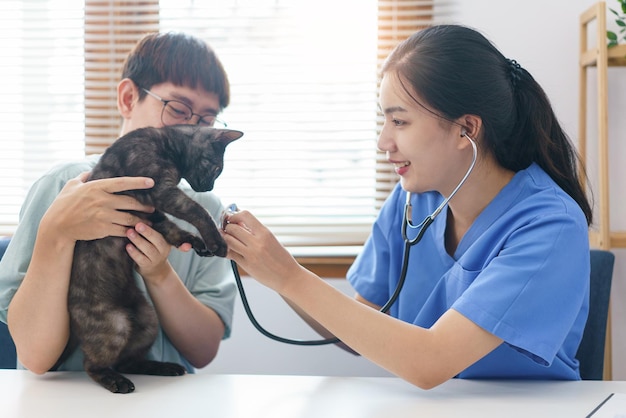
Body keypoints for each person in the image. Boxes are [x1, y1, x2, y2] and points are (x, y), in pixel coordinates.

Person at [221, 24, 593, 390]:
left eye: (399, 121)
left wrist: (289, 276)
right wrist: (268, 267)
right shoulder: (413, 200)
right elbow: (358, 330)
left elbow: (429, 363)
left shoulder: (550, 225)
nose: (384, 141)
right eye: (385, 120)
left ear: (466, 129)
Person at [0, 32, 236, 373]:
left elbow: (202, 351)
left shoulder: (206, 208)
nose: (193, 132)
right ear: (128, 98)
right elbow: (36, 357)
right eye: (179, 109)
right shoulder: (64, 186)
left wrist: (159, 274)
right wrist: (56, 233)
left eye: (206, 121)